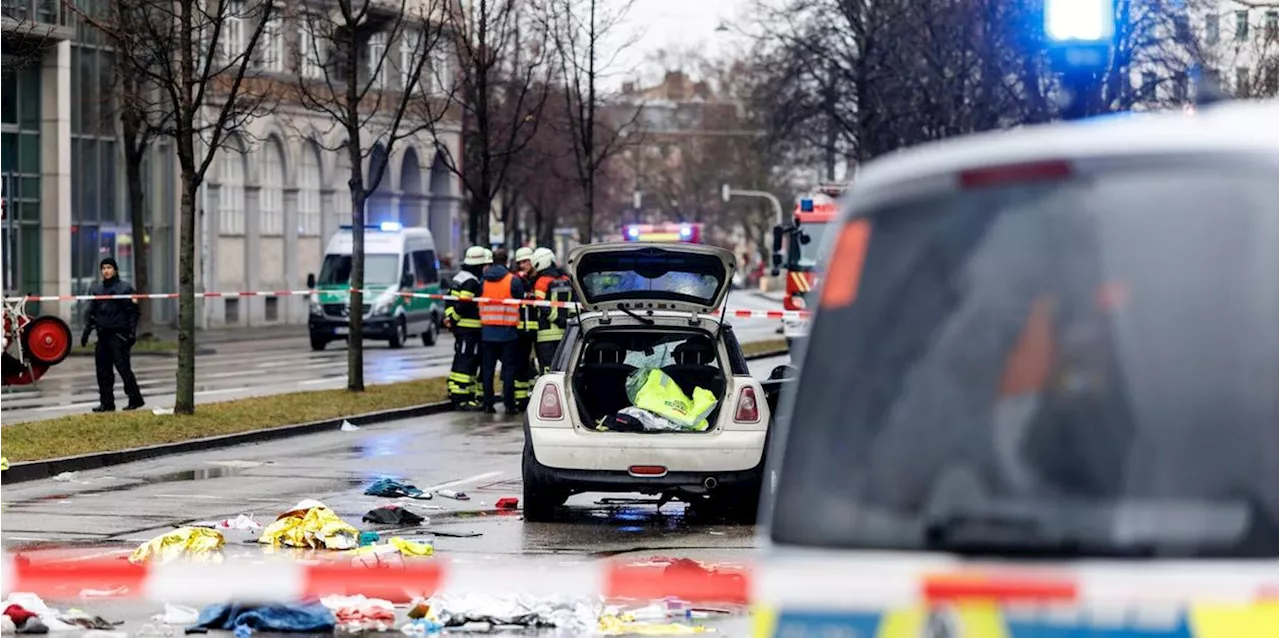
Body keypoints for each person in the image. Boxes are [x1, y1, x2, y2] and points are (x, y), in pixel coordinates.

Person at [81, 257, 144, 412]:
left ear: (115, 269)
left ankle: (135, 399)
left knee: (123, 368)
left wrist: (131, 333)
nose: (106, 271)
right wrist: (86, 332)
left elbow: (133, 312)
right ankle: (107, 403)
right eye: (103, 268)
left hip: (119, 335)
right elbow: (92, 314)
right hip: (103, 336)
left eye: (109, 267)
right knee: (103, 371)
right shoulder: (98, 290)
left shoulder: (124, 289)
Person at [479, 247, 525, 415]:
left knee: (487, 370)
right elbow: (521, 297)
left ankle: (487, 404)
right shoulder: (512, 280)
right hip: (508, 333)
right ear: (506, 261)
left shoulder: (483, 280)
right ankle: (509, 404)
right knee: (508, 370)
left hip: (487, 332)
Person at [444, 246, 489, 410]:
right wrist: (454, 319)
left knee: (461, 359)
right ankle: (462, 398)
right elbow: (464, 303)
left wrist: (449, 318)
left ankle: (457, 392)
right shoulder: (471, 281)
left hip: (461, 330)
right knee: (466, 362)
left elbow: (449, 301)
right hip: (469, 330)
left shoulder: (459, 277)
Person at [531, 247, 573, 373]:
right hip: (566, 333)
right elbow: (573, 304)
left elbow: (542, 305)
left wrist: (557, 319)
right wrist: (567, 322)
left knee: (548, 369)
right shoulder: (566, 280)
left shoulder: (541, 282)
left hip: (545, 334)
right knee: (564, 368)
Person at [511, 247, 537, 410]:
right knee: (521, 365)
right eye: (520, 262)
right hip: (521, 330)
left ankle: (534, 397)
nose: (523, 265)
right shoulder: (516, 280)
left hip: (537, 329)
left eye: (526, 261)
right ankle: (521, 399)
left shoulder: (537, 279)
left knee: (535, 366)